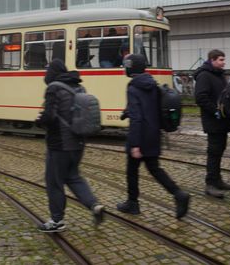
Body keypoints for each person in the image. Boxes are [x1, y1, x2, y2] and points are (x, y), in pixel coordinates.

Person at [116, 54, 190, 218]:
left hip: (140, 136)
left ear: (131, 68)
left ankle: (133, 203)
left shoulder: (133, 87)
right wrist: (127, 112)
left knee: (132, 171)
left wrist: (135, 144)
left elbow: (137, 118)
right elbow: (149, 108)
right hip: (153, 134)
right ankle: (179, 194)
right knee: (155, 169)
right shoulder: (152, 84)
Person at [36, 59, 104, 232]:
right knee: (73, 176)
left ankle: (56, 221)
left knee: (54, 182)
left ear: (52, 72)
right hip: (78, 143)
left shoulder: (54, 88)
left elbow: (50, 116)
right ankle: (94, 205)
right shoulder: (78, 87)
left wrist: (39, 121)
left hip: (59, 145)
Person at [194, 49, 230, 198]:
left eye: (224, 60)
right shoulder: (205, 76)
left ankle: (217, 180)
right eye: (221, 60)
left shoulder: (219, 74)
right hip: (213, 120)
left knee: (220, 150)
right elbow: (200, 97)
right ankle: (210, 183)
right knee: (214, 152)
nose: (223, 62)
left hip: (222, 120)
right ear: (212, 60)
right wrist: (215, 111)